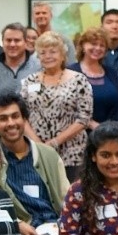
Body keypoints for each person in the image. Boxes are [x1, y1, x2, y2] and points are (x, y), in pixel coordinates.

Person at [0, 93, 70, 235]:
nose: (11, 123)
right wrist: (16, 224)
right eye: (3, 119)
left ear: (24, 119)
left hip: (55, 232)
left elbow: (67, 198)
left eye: (15, 116)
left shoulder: (48, 154)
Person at [20, 32, 92, 180]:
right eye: (43, 52)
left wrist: (54, 142)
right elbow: (21, 116)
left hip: (72, 153)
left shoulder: (79, 80)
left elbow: (84, 118)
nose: (48, 56)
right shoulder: (29, 81)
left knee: (71, 197)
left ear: (63, 55)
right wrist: (39, 145)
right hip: (37, 152)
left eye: (53, 51)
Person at [0, 22, 40, 127]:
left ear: (25, 43)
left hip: (36, 135)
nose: (12, 44)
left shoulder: (39, 67)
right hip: (3, 135)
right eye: (8, 40)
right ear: (2, 42)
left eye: (17, 40)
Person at [69, 26, 118, 130]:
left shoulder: (111, 73)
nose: (98, 48)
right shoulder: (70, 73)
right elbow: (68, 107)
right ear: (82, 46)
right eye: (93, 44)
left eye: (102, 45)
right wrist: (92, 124)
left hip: (110, 135)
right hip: (79, 135)